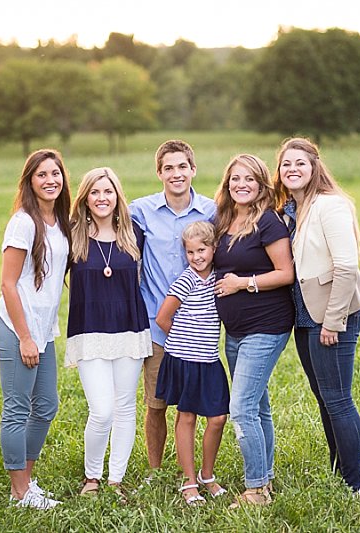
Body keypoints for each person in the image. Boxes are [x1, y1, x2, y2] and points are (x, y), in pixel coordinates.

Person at [273, 137, 360, 494]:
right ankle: (338, 468)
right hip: (304, 314)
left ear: (314, 167)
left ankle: (353, 484)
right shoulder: (290, 210)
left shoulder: (331, 206)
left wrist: (333, 321)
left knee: (338, 398)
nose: (292, 169)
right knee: (324, 395)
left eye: (300, 162)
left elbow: (346, 267)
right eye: (286, 164)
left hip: (332, 314)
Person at [129, 140, 216, 476]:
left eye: (182, 167)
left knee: (191, 406)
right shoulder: (141, 210)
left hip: (198, 326)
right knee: (156, 404)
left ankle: (189, 470)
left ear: (193, 169)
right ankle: (155, 470)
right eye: (169, 168)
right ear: (159, 173)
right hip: (156, 323)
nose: (176, 174)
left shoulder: (211, 210)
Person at [212, 154, 295, 507]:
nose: (241, 185)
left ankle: (256, 489)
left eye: (248, 179)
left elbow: (285, 273)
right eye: (235, 179)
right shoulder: (224, 220)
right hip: (236, 330)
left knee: (242, 406)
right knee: (258, 407)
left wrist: (242, 284)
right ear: (227, 184)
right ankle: (267, 477)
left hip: (268, 325)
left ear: (262, 184)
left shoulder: (268, 222)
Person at [0, 149, 71, 510]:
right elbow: (8, 284)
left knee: (47, 406)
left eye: (55, 173)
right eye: (42, 174)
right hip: (17, 326)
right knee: (18, 408)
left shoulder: (60, 220)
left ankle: (27, 481)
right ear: (30, 181)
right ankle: (19, 492)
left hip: (44, 328)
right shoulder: (23, 222)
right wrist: (24, 336)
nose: (50, 180)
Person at [65, 167, 152, 498]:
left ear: (118, 197)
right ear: (85, 198)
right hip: (89, 334)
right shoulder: (73, 236)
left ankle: (115, 479)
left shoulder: (134, 235)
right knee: (101, 410)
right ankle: (92, 477)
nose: (102, 198)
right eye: (95, 192)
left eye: (108, 192)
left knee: (125, 407)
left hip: (130, 331)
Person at [154, 221, 229, 506]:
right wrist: (185, 339)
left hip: (209, 361)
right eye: (190, 252)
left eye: (202, 250)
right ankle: (189, 482)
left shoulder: (219, 279)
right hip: (184, 360)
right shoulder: (185, 280)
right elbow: (163, 318)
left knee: (218, 418)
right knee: (186, 417)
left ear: (213, 249)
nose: (197, 257)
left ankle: (207, 474)